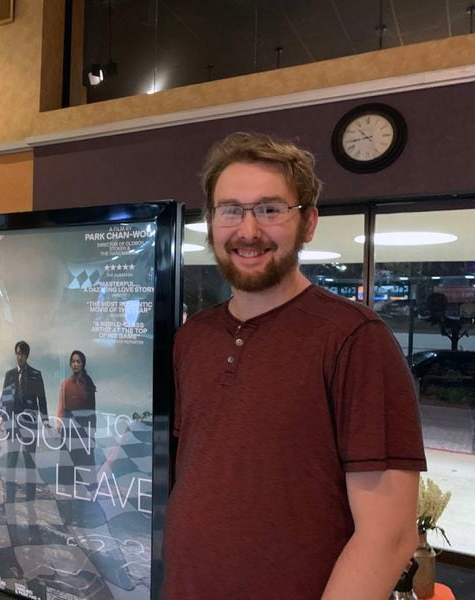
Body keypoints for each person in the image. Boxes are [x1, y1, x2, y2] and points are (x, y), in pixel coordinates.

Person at [163, 132, 426, 599]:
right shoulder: (193, 338)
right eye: (231, 210)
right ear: (210, 223)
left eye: (270, 209)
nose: (248, 231)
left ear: (308, 223)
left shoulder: (354, 339)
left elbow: (388, 536)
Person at [0, 340, 49, 505]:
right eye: (17, 353)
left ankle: (30, 499)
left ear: (27, 355)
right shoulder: (10, 375)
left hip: (29, 423)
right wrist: (1, 416)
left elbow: (41, 399)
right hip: (12, 423)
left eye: (22, 354)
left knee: (29, 461)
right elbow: (4, 397)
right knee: (11, 460)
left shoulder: (35, 374)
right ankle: (10, 499)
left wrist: (45, 420)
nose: (19, 357)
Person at [57, 350, 97, 470]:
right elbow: (61, 406)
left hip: (85, 428)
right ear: (70, 364)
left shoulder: (89, 383)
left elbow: (92, 409)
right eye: (73, 361)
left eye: (78, 361)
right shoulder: (65, 384)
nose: (75, 364)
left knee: (84, 464)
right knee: (68, 465)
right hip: (69, 427)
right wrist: (59, 423)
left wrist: (92, 431)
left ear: (82, 364)